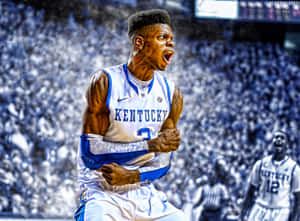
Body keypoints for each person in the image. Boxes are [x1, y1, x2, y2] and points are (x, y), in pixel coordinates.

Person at [74, 9, 185, 221]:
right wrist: (149, 146)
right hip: (102, 191)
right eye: (163, 38)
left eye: (172, 39)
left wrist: (133, 175)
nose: (171, 44)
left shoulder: (172, 93)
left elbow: (164, 162)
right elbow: (90, 155)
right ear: (139, 43)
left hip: (143, 192)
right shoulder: (105, 82)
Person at [240, 130, 300, 221]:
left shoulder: (294, 168)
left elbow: (298, 199)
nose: (278, 140)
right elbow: (250, 191)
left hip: (280, 210)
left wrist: (295, 219)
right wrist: (242, 213)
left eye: (282, 138)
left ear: (287, 144)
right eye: (276, 137)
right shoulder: (261, 164)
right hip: (260, 205)